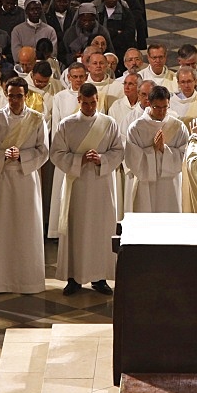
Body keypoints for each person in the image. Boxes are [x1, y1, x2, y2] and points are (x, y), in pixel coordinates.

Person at [51, 82, 125, 296]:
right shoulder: (67, 124)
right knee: (77, 229)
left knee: (101, 230)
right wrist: (78, 160)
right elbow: (56, 153)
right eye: (86, 103)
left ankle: (99, 277)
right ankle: (74, 278)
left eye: (93, 103)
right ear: (79, 101)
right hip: (78, 185)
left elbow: (118, 151)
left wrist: (101, 159)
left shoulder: (109, 123)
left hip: (102, 186)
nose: (91, 107)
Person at [0, 77, 49, 294]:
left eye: (19, 96)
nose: (15, 100)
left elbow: (44, 151)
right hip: (1, 179)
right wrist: (2, 155)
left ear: (25, 96)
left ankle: (28, 282)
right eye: (11, 96)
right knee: (0, 229)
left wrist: (22, 156)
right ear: (5, 95)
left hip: (26, 179)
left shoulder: (37, 120)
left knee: (26, 229)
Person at [125, 85, 188, 212]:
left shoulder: (178, 127)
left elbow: (185, 156)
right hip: (146, 184)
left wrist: (164, 149)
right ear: (149, 103)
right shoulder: (136, 128)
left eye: (165, 107)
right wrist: (153, 150)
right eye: (157, 107)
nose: (162, 111)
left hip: (170, 184)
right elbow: (132, 159)